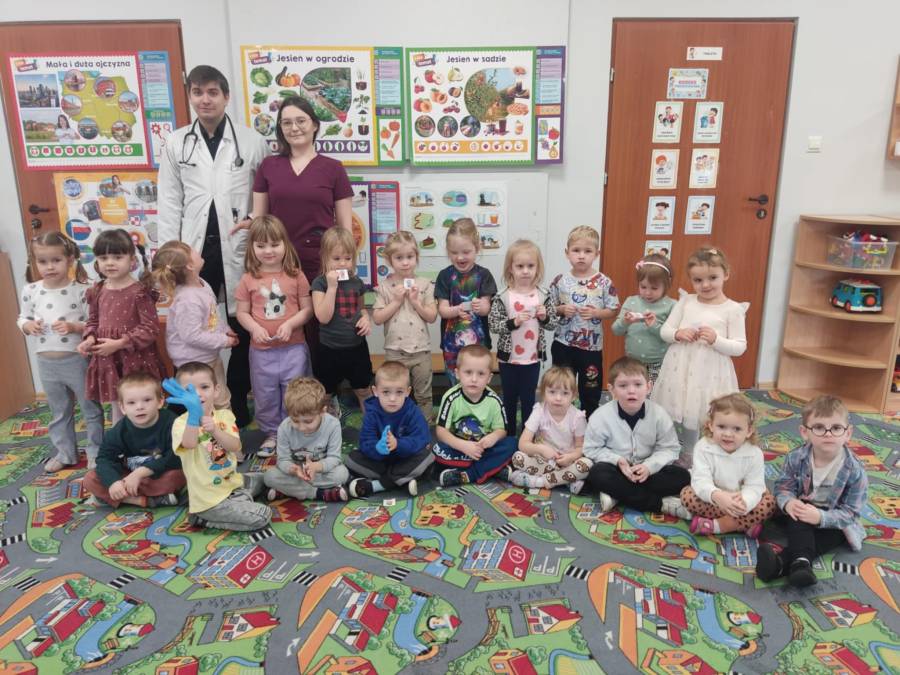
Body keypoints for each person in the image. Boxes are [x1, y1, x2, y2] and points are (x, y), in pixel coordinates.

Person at [158, 65, 269, 428]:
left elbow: (264, 194)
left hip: (238, 246)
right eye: (197, 92)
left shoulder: (251, 141)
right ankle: (192, 405)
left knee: (241, 324)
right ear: (190, 96)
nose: (205, 99)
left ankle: (236, 399)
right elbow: (169, 200)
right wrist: (167, 258)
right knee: (192, 324)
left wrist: (258, 224)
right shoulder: (176, 142)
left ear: (226, 96)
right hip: (194, 250)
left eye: (212, 92)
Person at [249, 96, 354, 366]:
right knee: (283, 322)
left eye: (301, 121)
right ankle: (290, 384)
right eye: (286, 123)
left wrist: (345, 268)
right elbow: (259, 221)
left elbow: (345, 229)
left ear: (315, 125)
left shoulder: (333, 168)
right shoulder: (269, 166)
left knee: (322, 327)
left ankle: (322, 385)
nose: (294, 128)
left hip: (321, 262)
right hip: (277, 261)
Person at [757, 395, 868, 587]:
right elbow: (783, 487)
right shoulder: (795, 458)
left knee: (835, 535)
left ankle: (780, 565)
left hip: (835, 521)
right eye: (819, 427)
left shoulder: (855, 471)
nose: (828, 434)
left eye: (836, 428)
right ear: (804, 432)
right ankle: (801, 564)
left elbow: (851, 513)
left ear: (848, 433)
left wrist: (820, 517)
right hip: (799, 513)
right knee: (800, 514)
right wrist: (789, 502)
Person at [651, 247, 748, 466]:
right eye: (698, 280)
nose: (705, 285)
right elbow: (665, 331)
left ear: (726, 274)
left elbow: (739, 347)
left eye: (712, 278)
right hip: (681, 367)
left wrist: (716, 339)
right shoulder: (686, 302)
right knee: (686, 408)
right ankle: (685, 451)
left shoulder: (733, 309)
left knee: (707, 411)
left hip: (711, 372)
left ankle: (711, 453)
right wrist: (678, 334)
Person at [17, 232, 103, 472]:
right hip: (46, 362)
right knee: (58, 411)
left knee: (90, 408)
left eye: (56, 260)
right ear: (34, 262)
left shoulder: (82, 290)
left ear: (70, 260)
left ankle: (96, 452)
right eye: (42, 261)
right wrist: (27, 325)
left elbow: (94, 324)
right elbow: (22, 317)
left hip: (77, 360)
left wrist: (74, 327)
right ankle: (66, 453)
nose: (49, 267)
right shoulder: (31, 290)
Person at [236, 216, 313, 455]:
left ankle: (295, 432)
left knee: (295, 392)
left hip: (294, 348)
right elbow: (242, 312)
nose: (268, 251)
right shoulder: (248, 278)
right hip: (262, 352)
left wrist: (290, 324)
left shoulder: (296, 275)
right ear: (252, 248)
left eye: (274, 244)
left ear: (285, 244)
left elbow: (308, 309)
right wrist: (254, 328)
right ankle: (273, 433)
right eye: (261, 245)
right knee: (265, 394)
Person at [164, 362, 271, 531]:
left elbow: (235, 446)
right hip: (209, 499)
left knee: (267, 478)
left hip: (232, 483)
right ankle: (202, 518)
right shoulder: (180, 423)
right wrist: (194, 417)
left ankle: (239, 499)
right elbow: (189, 444)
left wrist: (215, 430)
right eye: (189, 391)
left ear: (216, 390)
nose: (197, 394)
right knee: (263, 515)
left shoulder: (224, 415)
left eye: (204, 387)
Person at [77, 229, 164, 425]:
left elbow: (150, 328)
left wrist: (119, 343)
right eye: (103, 258)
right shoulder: (97, 290)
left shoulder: (140, 292)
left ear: (132, 260)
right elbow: (93, 321)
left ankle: (150, 438)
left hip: (135, 360)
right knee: (119, 405)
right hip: (109, 360)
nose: (110, 263)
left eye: (117, 257)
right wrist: (89, 339)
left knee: (142, 403)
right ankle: (121, 439)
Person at [582, 357, 689, 514]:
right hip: (616, 469)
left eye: (638, 385)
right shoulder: (600, 416)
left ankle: (617, 494)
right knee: (597, 473)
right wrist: (617, 460)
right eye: (623, 385)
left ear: (648, 387)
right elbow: (590, 449)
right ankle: (659, 505)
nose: (631, 391)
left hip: (648, 471)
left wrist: (649, 467)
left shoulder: (659, 414)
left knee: (682, 476)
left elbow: (670, 449)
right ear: (612, 389)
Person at [151, 241, 237, 411]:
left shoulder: (201, 283)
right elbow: (191, 336)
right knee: (200, 404)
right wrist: (224, 341)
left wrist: (225, 331)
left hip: (209, 357)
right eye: (192, 251)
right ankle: (207, 426)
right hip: (193, 364)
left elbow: (212, 316)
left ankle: (223, 425)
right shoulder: (188, 299)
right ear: (190, 265)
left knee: (220, 397)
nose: (197, 251)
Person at [675, 393, 776, 538]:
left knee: (769, 502)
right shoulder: (703, 447)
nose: (728, 434)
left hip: (740, 501)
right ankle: (743, 524)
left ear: (749, 431)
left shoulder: (754, 453)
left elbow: (754, 486)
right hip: (714, 498)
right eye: (721, 426)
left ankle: (718, 525)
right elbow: (701, 480)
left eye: (737, 429)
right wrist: (717, 495)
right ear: (711, 425)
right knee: (687, 495)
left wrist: (744, 503)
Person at [82, 374, 185, 508]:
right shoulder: (119, 430)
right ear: (123, 408)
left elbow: (176, 456)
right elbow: (104, 459)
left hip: (157, 474)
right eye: (131, 403)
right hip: (128, 476)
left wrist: (140, 473)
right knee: (90, 479)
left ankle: (115, 498)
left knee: (180, 475)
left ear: (160, 402)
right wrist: (113, 482)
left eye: (147, 400)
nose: (139, 407)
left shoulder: (172, 422)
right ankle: (143, 500)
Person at [488, 239, 558, 436]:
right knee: (509, 399)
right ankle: (509, 435)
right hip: (508, 359)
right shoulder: (502, 296)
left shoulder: (543, 295)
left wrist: (545, 317)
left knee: (529, 400)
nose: (525, 271)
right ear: (510, 268)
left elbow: (553, 324)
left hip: (532, 359)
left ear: (538, 268)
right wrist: (514, 322)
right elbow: (493, 325)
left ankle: (528, 436)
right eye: (520, 266)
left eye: (530, 266)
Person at [549, 225, 619, 416]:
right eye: (576, 250)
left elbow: (613, 309)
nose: (581, 256)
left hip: (591, 348)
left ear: (596, 254)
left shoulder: (604, 282)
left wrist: (597, 313)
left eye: (587, 251)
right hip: (563, 345)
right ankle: (562, 420)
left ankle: (590, 422)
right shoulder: (560, 280)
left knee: (590, 389)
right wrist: (561, 309)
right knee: (561, 386)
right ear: (567, 253)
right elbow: (549, 308)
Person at [372, 232, 437, 420]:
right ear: (389, 260)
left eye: (410, 256)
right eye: (399, 258)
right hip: (395, 351)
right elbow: (377, 318)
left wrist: (416, 302)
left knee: (423, 394)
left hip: (421, 350)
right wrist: (396, 301)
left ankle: (424, 426)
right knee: (395, 393)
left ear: (417, 257)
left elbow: (432, 316)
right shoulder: (384, 287)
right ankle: (397, 425)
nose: (405, 262)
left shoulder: (425, 284)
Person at [433, 344, 517, 487]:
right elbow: (441, 431)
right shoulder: (450, 397)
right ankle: (493, 469)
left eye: (481, 374)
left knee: (512, 444)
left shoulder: (494, 400)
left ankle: (468, 475)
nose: (474, 379)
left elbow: (502, 430)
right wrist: (463, 446)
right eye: (468, 372)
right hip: (459, 448)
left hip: (484, 449)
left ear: (489, 377)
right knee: (437, 449)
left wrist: (492, 437)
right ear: (457, 373)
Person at [346, 361, 434, 498]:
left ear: (407, 392)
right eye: (386, 392)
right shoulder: (372, 412)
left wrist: (398, 444)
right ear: (375, 391)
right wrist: (377, 448)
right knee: (351, 459)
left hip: (406, 458)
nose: (392, 399)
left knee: (428, 455)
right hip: (381, 462)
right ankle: (402, 480)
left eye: (399, 392)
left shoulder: (413, 411)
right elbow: (365, 442)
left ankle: (379, 485)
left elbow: (421, 439)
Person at [310, 227, 373, 413]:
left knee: (364, 390)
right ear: (325, 258)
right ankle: (325, 424)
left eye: (348, 258)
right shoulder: (320, 283)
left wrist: (366, 319)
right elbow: (323, 317)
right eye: (336, 259)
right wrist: (332, 287)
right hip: (329, 349)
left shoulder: (357, 282)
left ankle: (371, 424)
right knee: (325, 394)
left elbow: (361, 309)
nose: (343, 263)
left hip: (356, 347)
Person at [504, 366, 591, 491]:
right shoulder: (539, 411)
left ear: (573, 396)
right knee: (518, 457)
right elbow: (522, 444)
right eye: (552, 392)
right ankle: (566, 480)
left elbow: (581, 448)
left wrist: (571, 457)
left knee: (588, 464)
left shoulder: (578, 417)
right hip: (542, 460)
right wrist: (541, 449)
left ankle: (539, 481)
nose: (558, 398)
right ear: (543, 393)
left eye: (565, 393)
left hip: (567, 463)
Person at [263, 377, 349, 503]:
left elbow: (334, 458)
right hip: (297, 473)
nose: (302, 427)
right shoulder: (284, 427)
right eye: (295, 420)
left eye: (308, 421)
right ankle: (319, 494)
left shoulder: (333, 424)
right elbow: (283, 460)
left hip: (320, 471)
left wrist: (317, 467)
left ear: (322, 411)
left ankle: (288, 491)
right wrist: (292, 469)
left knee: (342, 474)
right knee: (269, 476)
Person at [435, 218, 497, 384]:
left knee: (477, 383)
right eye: (454, 252)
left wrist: (480, 306)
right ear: (448, 251)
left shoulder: (484, 275)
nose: (460, 257)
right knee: (455, 384)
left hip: (479, 344)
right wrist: (457, 310)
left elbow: (486, 308)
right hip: (452, 345)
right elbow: (442, 310)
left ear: (477, 248)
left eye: (466, 252)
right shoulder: (445, 275)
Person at [611, 254, 676, 382]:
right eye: (643, 287)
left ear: (667, 284)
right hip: (631, 363)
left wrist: (654, 326)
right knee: (632, 392)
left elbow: (671, 336)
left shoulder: (672, 305)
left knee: (654, 393)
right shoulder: (631, 301)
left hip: (658, 364)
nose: (647, 292)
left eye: (654, 288)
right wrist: (625, 322)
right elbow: (616, 330)